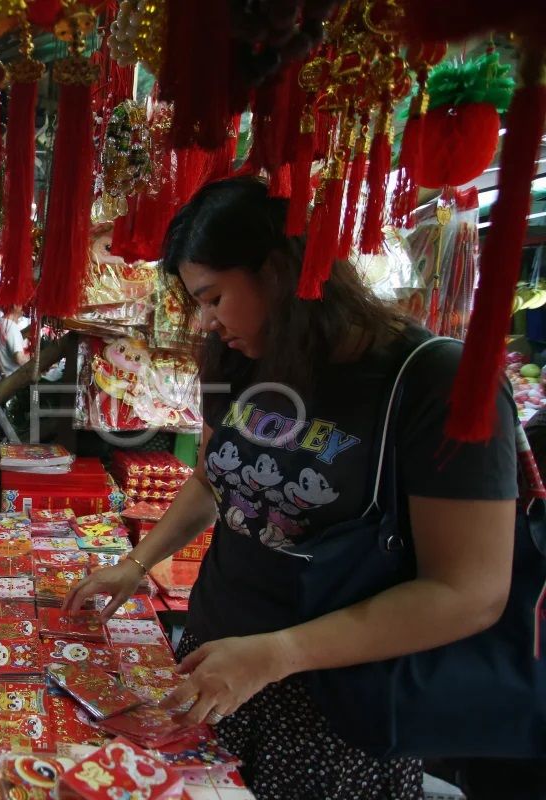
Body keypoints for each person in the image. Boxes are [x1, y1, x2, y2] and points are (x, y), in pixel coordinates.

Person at [63, 177, 518, 800]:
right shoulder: (252, 358)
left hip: (334, 716)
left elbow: (470, 592)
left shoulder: (436, 381)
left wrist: (276, 655)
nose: (207, 320)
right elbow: (217, 476)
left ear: (277, 271)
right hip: (216, 671)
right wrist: (138, 562)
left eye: (214, 296)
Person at [0, 305, 30, 379]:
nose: (25, 306)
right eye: (22, 302)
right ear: (15, 305)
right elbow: (19, 359)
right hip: (9, 381)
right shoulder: (12, 328)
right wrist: (32, 359)